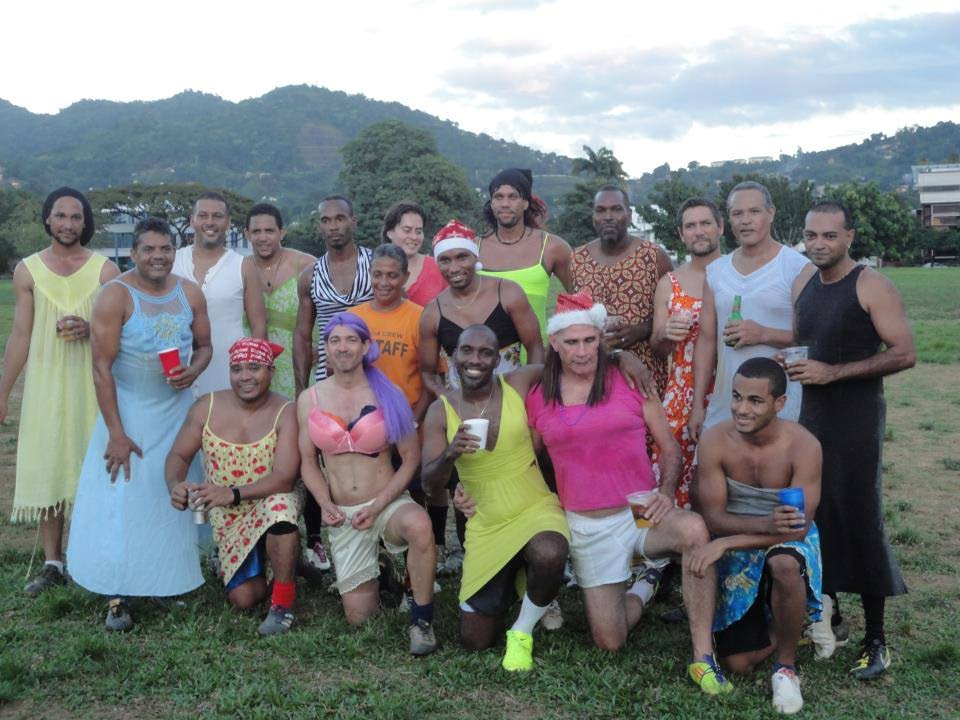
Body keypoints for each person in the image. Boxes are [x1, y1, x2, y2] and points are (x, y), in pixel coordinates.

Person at [523, 292, 731, 695]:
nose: (582, 351)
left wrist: (666, 492)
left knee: (693, 531)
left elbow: (668, 448)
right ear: (555, 343)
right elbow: (528, 460)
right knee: (609, 641)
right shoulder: (540, 396)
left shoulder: (629, 378)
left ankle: (703, 657)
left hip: (639, 509)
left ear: (601, 340)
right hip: (588, 521)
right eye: (571, 342)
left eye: (589, 341)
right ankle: (646, 584)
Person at [66, 218, 212, 630]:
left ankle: (165, 582)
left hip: (176, 411)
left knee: (168, 495)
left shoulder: (190, 293)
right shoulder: (115, 296)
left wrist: (192, 372)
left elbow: (205, 346)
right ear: (134, 254)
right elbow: (101, 367)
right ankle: (117, 593)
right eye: (148, 249)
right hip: (127, 411)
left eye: (165, 248)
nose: (158, 257)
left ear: (174, 251)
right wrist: (115, 433)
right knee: (125, 498)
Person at [790, 201, 915, 679]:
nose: (818, 244)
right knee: (818, 515)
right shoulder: (803, 284)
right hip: (812, 416)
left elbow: (905, 353)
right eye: (811, 235)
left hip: (857, 419)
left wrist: (833, 371)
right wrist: (794, 362)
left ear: (849, 237)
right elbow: (811, 342)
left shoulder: (871, 284)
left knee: (860, 516)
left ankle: (877, 639)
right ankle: (830, 618)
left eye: (829, 236)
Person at [421, 324, 569, 672]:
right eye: (467, 351)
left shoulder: (517, 383)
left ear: (498, 359)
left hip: (534, 506)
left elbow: (571, 363)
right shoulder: (440, 412)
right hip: (486, 521)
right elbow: (430, 484)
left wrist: (623, 360)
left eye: (486, 353)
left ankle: (522, 629)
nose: (476, 360)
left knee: (550, 551)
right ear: (453, 356)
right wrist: (450, 454)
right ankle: (518, 575)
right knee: (475, 641)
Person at [0, 187, 119, 596]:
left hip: (92, 382)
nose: (68, 223)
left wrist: (92, 329)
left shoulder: (105, 271)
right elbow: (19, 334)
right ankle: (53, 562)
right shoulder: (28, 271)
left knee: (92, 464)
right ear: (47, 220)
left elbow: (119, 329)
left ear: (85, 223)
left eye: (75, 217)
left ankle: (94, 556)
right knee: (49, 460)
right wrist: (2, 391)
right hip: (47, 382)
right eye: (60, 215)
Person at [298, 312, 438, 656]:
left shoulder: (388, 394)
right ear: (326, 350)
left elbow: (410, 458)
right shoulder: (309, 400)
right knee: (360, 617)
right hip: (344, 514)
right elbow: (308, 463)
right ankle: (382, 567)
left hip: (386, 503)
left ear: (365, 347)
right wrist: (325, 503)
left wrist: (379, 505)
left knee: (420, 525)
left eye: (350, 340)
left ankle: (422, 621)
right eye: (334, 341)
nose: (342, 348)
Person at [691, 358, 823, 715]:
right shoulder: (716, 441)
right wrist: (762, 526)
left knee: (783, 564)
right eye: (736, 397)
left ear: (779, 404)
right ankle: (792, 621)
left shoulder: (803, 445)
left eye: (754, 400)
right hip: (743, 531)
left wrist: (727, 542)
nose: (740, 409)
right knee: (738, 663)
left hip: (785, 538)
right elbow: (713, 516)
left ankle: (785, 666)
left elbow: (796, 528)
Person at [166, 338, 303, 636]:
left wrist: (232, 493)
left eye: (254, 368)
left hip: (267, 503)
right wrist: (176, 485)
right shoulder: (208, 406)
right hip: (228, 518)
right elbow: (178, 455)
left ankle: (282, 604)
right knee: (244, 599)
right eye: (237, 369)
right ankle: (279, 558)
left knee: (281, 505)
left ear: (271, 370)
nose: (245, 377)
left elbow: (284, 478)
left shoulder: (286, 410)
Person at [690, 181, 814, 442]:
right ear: (729, 220)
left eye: (754, 212)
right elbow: (706, 341)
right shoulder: (716, 272)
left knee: (776, 478)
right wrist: (698, 403)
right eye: (738, 214)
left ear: (771, 213)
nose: (746, 220)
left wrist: (763, 333)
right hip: (727, 401)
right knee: (713, 476)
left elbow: (811, 337)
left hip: (779, 404)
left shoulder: (797, 268)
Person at [293, 195, 373, 572]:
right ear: (319, 226)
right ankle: (315, 540)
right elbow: (302, 334)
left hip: (373, 378)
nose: (334, 226)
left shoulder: (376, 265)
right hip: (327, 379)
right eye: (326, 220)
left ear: (354, 222)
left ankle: (383, 539)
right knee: (320, 459)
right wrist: (301, 387)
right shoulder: (311, 275)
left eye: (341, 218)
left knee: (375, 455)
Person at [650, 198, 724, 509]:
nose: (699, 231)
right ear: (681, 235)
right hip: (682, 392)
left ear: (720, 227)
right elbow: (656, 345)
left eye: (705, 223)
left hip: (728, 387)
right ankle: (674, 546)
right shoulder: (670, 283)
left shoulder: (736, 274)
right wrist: (666, 335)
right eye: (690, 226)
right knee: (673, 468)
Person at [419, 219, 543, 399]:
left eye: (462, 257)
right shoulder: (432, 313)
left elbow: (535, 347)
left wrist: (526, 396)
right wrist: (449, 401)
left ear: (475, 256)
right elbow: (428, 373)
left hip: (513, 399)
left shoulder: (508, 293)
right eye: (444, 260)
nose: (454, 268)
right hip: (463, 408)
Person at [571, 186, 673, 393]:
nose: (608, 217)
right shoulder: (577, 259)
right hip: (592, 372)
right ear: (593, 217)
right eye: (600, 210)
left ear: (629, 215)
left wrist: (642, 330)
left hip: (644, 372)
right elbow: (572, 316)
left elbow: (672, 313)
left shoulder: (654, 257)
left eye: (616, 209)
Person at [173, 191, 266, 396]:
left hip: (228, 369)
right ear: (192, 220)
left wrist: (254, 372)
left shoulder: (243, 266)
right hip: (176, 370)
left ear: (228, 222)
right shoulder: (172, 262)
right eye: (203, 215)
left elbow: (258, 327)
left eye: (217, 216)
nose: (210, 222)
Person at [477, 169, 574, 341]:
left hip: (536, 360)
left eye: (513, 197)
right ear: (491, 203)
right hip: (483, 360)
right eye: (498, 197)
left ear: (526, 203)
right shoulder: (473, 247)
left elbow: (580, 299)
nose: (505, 204)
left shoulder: (552, 247)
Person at [244, 203, 316, 399]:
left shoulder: (307, 266)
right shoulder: (239, 268)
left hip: (299, 364)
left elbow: (332, 310)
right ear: (247, 234)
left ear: (282, 233)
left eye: (269, 231)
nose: (263, 237)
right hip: (251, 368)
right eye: (256, 231)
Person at [382, 201, 446, 307]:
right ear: (389, 233)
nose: (414, 237)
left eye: (418, 231)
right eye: (407, 230)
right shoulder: (373, 267)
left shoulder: (438, 268)